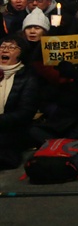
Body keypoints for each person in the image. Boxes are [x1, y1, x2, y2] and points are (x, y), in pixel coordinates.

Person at [0, 35, 41, 169]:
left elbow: (25, 112)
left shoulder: (28, 77)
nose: (5, 50)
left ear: (20, 53)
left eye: (12, 47)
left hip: (11, 129)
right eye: (2, 47)